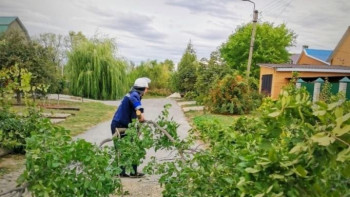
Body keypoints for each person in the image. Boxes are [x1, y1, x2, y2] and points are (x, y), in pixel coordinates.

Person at [110, 77, 151, 178]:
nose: (147, 90)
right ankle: (122, 172)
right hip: (120, 125)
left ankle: (130, 172)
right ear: (142, 88)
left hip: (125, 124)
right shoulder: (134, 96)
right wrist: (141, 118)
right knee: (123, 148)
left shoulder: (133, 94)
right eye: (146, 88)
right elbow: (137, 110)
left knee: (132, 147)